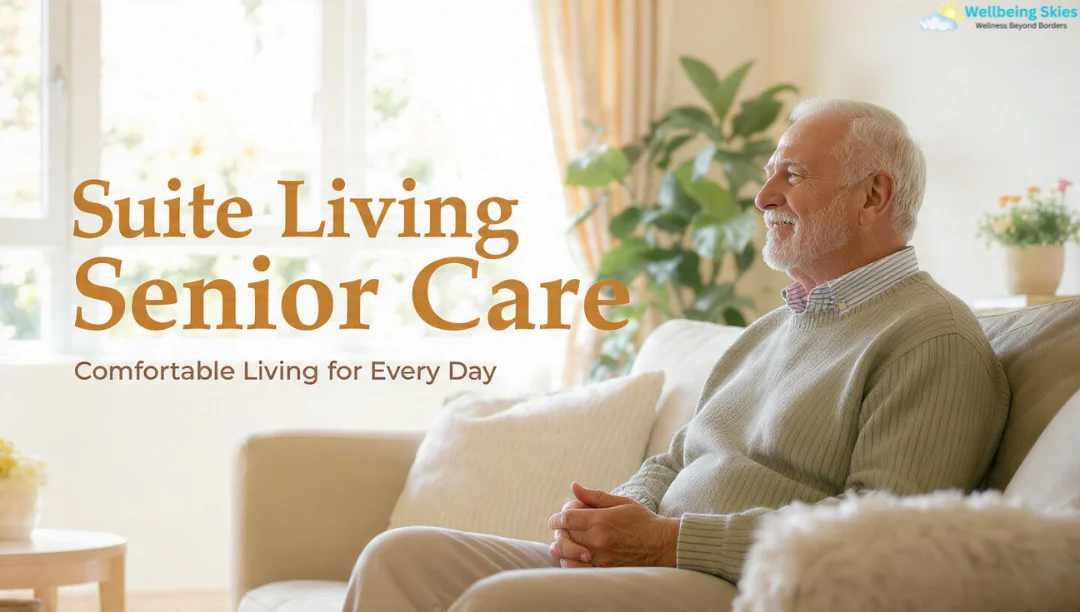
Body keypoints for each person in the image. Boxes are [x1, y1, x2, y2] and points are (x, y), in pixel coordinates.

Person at [342, 97, 1010, 612]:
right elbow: (675, 459)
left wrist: (668, 541)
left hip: (748, 590)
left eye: (794, 174)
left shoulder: (932, 339)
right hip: (660, 564)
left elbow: (882, 541)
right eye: (769, 172)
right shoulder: (768, 328)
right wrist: (613, 520)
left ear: (874, 196)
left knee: (501, 604)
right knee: (399, 560)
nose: (763, 195)